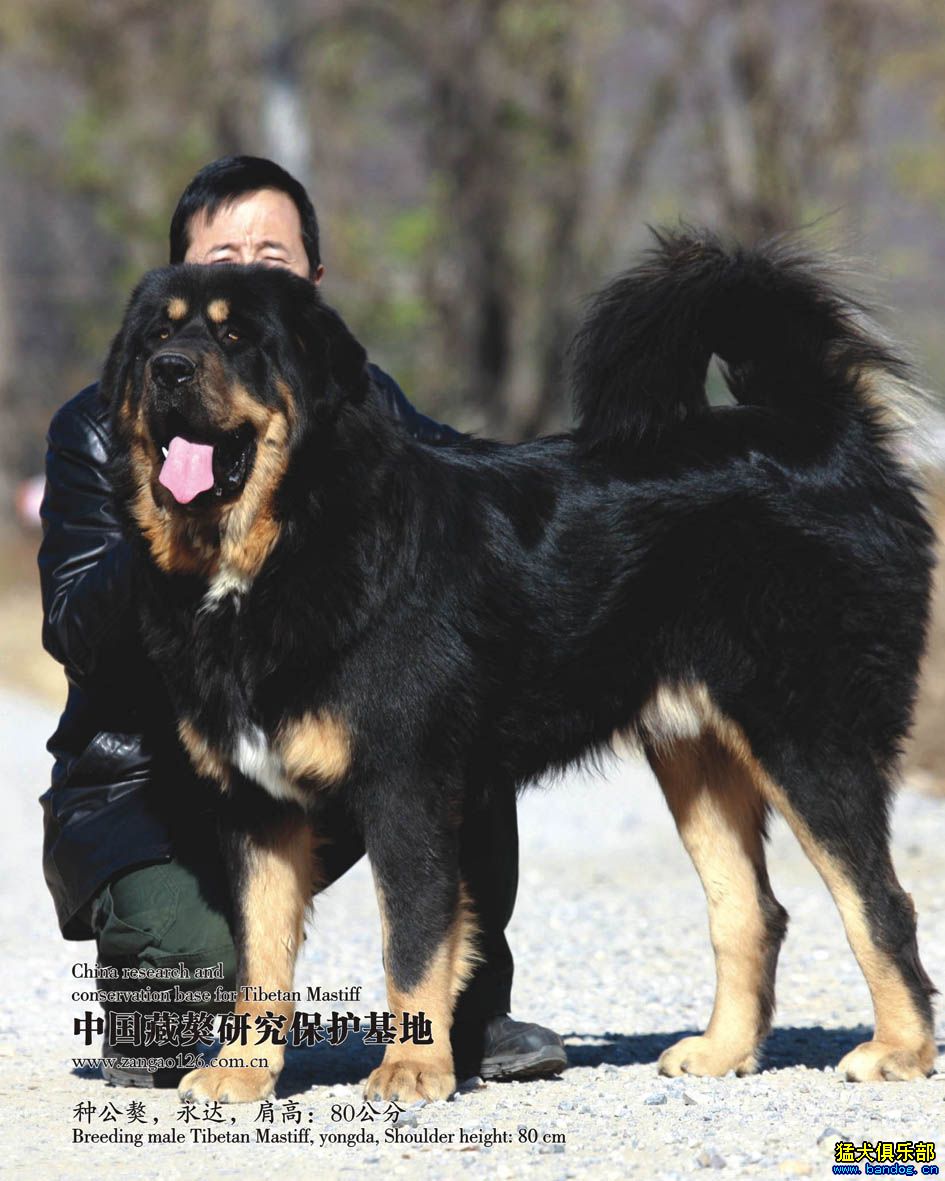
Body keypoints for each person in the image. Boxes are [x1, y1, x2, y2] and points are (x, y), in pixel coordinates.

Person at [38, 155, 566, 1088]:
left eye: (269, 260)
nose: (236, 282)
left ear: (310, 289)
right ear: (178, 272)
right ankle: (167, 1007)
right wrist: (160, 514)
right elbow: (76, 629)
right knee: (176, 985)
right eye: (218, 258)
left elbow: (491, 513)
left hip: (327, 756)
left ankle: (464, 1014)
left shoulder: (359, 408)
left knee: (442, 708)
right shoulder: (95, 429)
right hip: (154, 788)